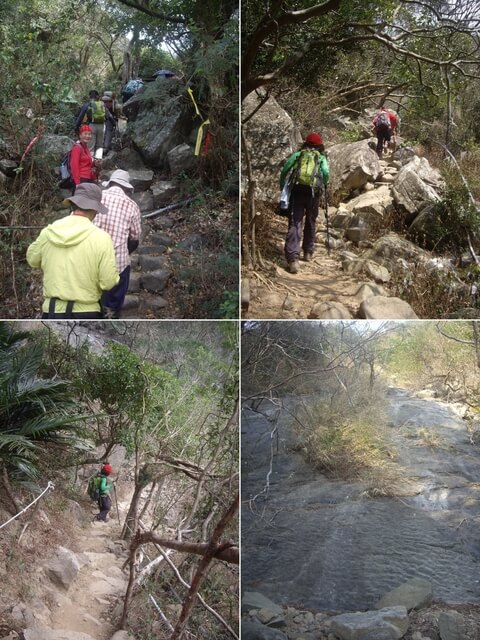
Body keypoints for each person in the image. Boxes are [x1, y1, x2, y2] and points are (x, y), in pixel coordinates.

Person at [26, 183, 120, 318]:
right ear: (95, 209)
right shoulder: (102, 238)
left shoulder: (48, 232)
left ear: (73, 204)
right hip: (87, 312)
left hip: (51, 311)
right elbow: (108, 282)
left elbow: (32, 259)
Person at [280, 132, 330, 274]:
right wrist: (323, 184)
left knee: (295, 222)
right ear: (319, 145)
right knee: (311, 221)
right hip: (314, 193)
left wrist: (283, 187)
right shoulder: (321, 157)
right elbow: (326, 173)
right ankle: (308, 252)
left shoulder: (298, 155)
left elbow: (285, 170)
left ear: (306, 143)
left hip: (297, 191)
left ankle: (292, 259)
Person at [95, 169, 142, 318]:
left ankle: (95, 309)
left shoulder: (96, 197)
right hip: (118, 261)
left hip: (91, 256)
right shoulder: (132, 205)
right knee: (122, 274)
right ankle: (111, 311)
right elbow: (135, 237)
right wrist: (125, 250)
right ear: (126, 188)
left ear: (110, 184)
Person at [75, 90, 115, 155]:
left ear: (89, 96)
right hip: (102, 126)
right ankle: (98, 162)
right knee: (99, 146)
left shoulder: (88, 105)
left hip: (92, 126)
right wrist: (114, 124)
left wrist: (76, 127)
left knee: (91, 146)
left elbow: (80, 117)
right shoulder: (102, 104)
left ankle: (90, 162)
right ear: (97, 96)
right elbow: (109, 116)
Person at [69, 124, 98, 190]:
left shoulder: (85, 148)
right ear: (80, 135)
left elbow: (87, 164)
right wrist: (77, 183)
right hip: (81, 179)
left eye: (89, 134)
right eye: (85, 134)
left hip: (88, 178)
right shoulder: (77, 148)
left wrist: (95, 163)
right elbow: (74, 166)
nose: (87, 136)